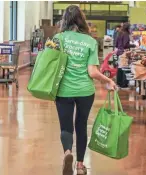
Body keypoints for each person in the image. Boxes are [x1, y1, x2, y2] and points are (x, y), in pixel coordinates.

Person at [53, 5, 117, 175]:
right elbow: (92, 72)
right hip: (85, 91)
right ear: (82, 19)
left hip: (63, 90)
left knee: (66, 128)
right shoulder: (90, 41)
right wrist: (108, 80)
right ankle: (80, 166)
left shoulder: (58, 39)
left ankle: (68, 153)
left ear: (65, 19)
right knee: (81, 125)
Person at [115, 22, 135, 88]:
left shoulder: (119, 33)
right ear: (128, 28)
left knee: (120, 68)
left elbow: (116, 44)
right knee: (124, 68)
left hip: (119, 52)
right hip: (124, 53)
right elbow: (125, 45)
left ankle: (119, 83)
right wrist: (134, 45)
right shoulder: (126, 34)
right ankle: (124, 85)